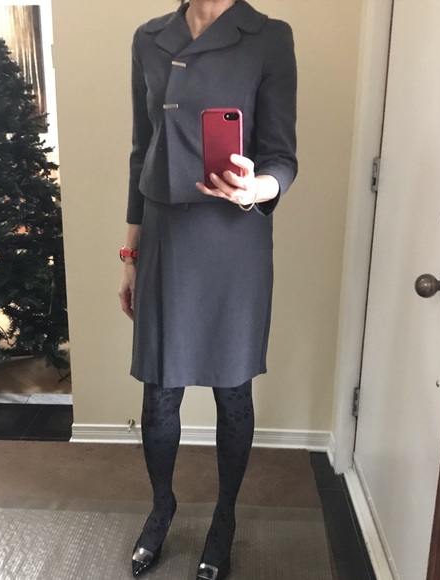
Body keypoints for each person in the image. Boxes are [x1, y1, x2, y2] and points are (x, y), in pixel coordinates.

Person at [118, 1, 297, 578]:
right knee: (159, 392)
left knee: (232, 390)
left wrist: (256, 187)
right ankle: (161, 507)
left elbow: (282, 157)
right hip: (165, 238)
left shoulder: (268, 37)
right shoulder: (149, 38)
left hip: (233, 242)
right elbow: (141, 152)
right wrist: (129, 255)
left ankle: (225, 518)